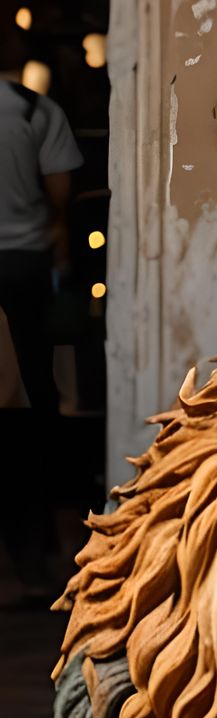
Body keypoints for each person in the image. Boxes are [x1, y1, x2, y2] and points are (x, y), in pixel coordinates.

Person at [0, 43, 81, 600]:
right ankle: (35, 555)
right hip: (23, 266)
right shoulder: (36, 110)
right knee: (27, 401)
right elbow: (60, 194)